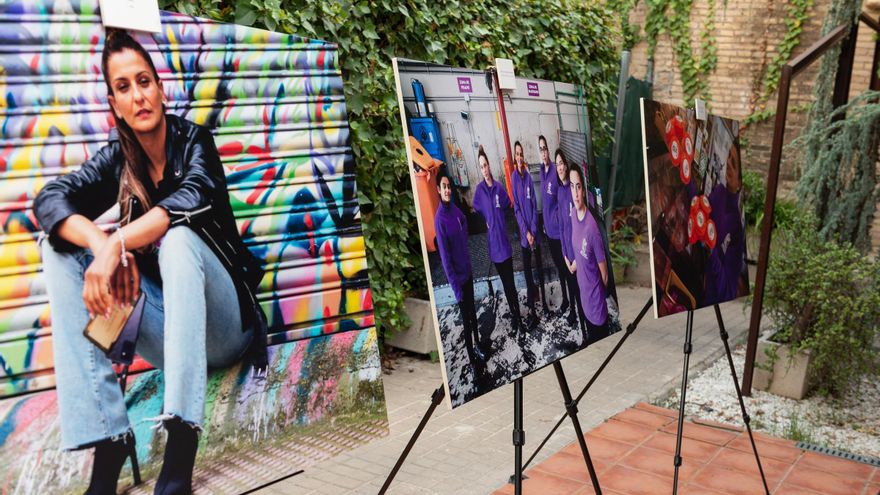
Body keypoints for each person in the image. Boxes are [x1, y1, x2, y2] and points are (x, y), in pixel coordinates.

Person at [33, 29, 267, 495]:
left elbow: (187, 199)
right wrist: (103, 247)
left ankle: (180, 448)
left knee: (178, 238)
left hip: (225, 327)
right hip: (170, 333)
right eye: (124, 87)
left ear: (160, 88)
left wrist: (117, 242)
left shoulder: (195, 142)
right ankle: (110, 436)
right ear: (113, 103)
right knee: (56, 247)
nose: (138, 95)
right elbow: (50, 199)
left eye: (144, 81)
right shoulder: (118, 161)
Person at [472, 146, 524, 337]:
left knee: (511, 285)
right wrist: (485, 220)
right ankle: (514, 315)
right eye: (481, 167)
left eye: (486, 165)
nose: (485, 169)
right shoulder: (479, 192)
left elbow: (508, 205)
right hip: (494, 248)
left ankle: (519, 320)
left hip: (505, 246)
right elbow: (476, 209)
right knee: (505, 283)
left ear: (489, 166)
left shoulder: (499, 189)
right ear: (480, 169)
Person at [434, 170, 485, 364]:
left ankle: (478, 344)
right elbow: (446, 261)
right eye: (444, 187)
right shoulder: (440, 220)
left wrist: (463, 241)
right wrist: (456, 289)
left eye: (449, 187)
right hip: (459, 280)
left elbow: (463, 220)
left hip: (468, 272)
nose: (447, 190)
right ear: (438, 190)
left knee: (473, 313)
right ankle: (472, 357)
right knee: (466, 319)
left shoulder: (454, 209)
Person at [568, 163, 610, 344]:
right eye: (572, 186)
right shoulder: (572, 214)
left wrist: (596, 296)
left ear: (584, 191)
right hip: (583, 299)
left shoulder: (592, 229)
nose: (575, 192)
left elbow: (605, 275)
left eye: (578, 187)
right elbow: (579, 250)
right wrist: (573, 265)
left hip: (597, 308)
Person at [703, 141, 747, 305]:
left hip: (708, 295)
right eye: (729, 158)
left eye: (734, 164)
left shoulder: (737, 225)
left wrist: (711, 252)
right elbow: (702, 212)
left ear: (740, 181)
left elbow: (726, 290)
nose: (728, 164)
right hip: (699, 269)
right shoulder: (719, 192)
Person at [538, 135, 571, 317]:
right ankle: (566, 298)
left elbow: (562, 199)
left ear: (548, 151)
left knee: (566, 268)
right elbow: (545, 203)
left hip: (559, 232)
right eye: (540, 149)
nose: (543, 152)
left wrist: (558, 219)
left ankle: (572, 301)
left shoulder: (554, 172)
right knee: (559, 267)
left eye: (545, 148)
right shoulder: (542, 172)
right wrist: (544, 223)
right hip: (549, 232)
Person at [510, 141, 542, 326]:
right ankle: (531, 305)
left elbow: (533, 206)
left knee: (538, 267)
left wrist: (534, 231)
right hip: (525, 235)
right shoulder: (514, 178)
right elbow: (518, 210)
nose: (520, 157)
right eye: (517, 154)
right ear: (515, 158)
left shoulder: (529, 178)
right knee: (528, 271)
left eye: (521, 153)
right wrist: (527, 233)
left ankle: (542, 301)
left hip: (534, 233)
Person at [554, 150, 585, 334]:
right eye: (557, 164)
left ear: (566, 165)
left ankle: (586, 331)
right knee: (573, 289)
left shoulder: (573, 192)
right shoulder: (559, 191)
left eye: (562, 163)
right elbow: (562, 227)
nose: (560, 167)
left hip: (577, 257)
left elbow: (578, 228)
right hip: (568, 255)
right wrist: (565, 255)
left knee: (581, 294)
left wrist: (575, 259)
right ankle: (576, 317)